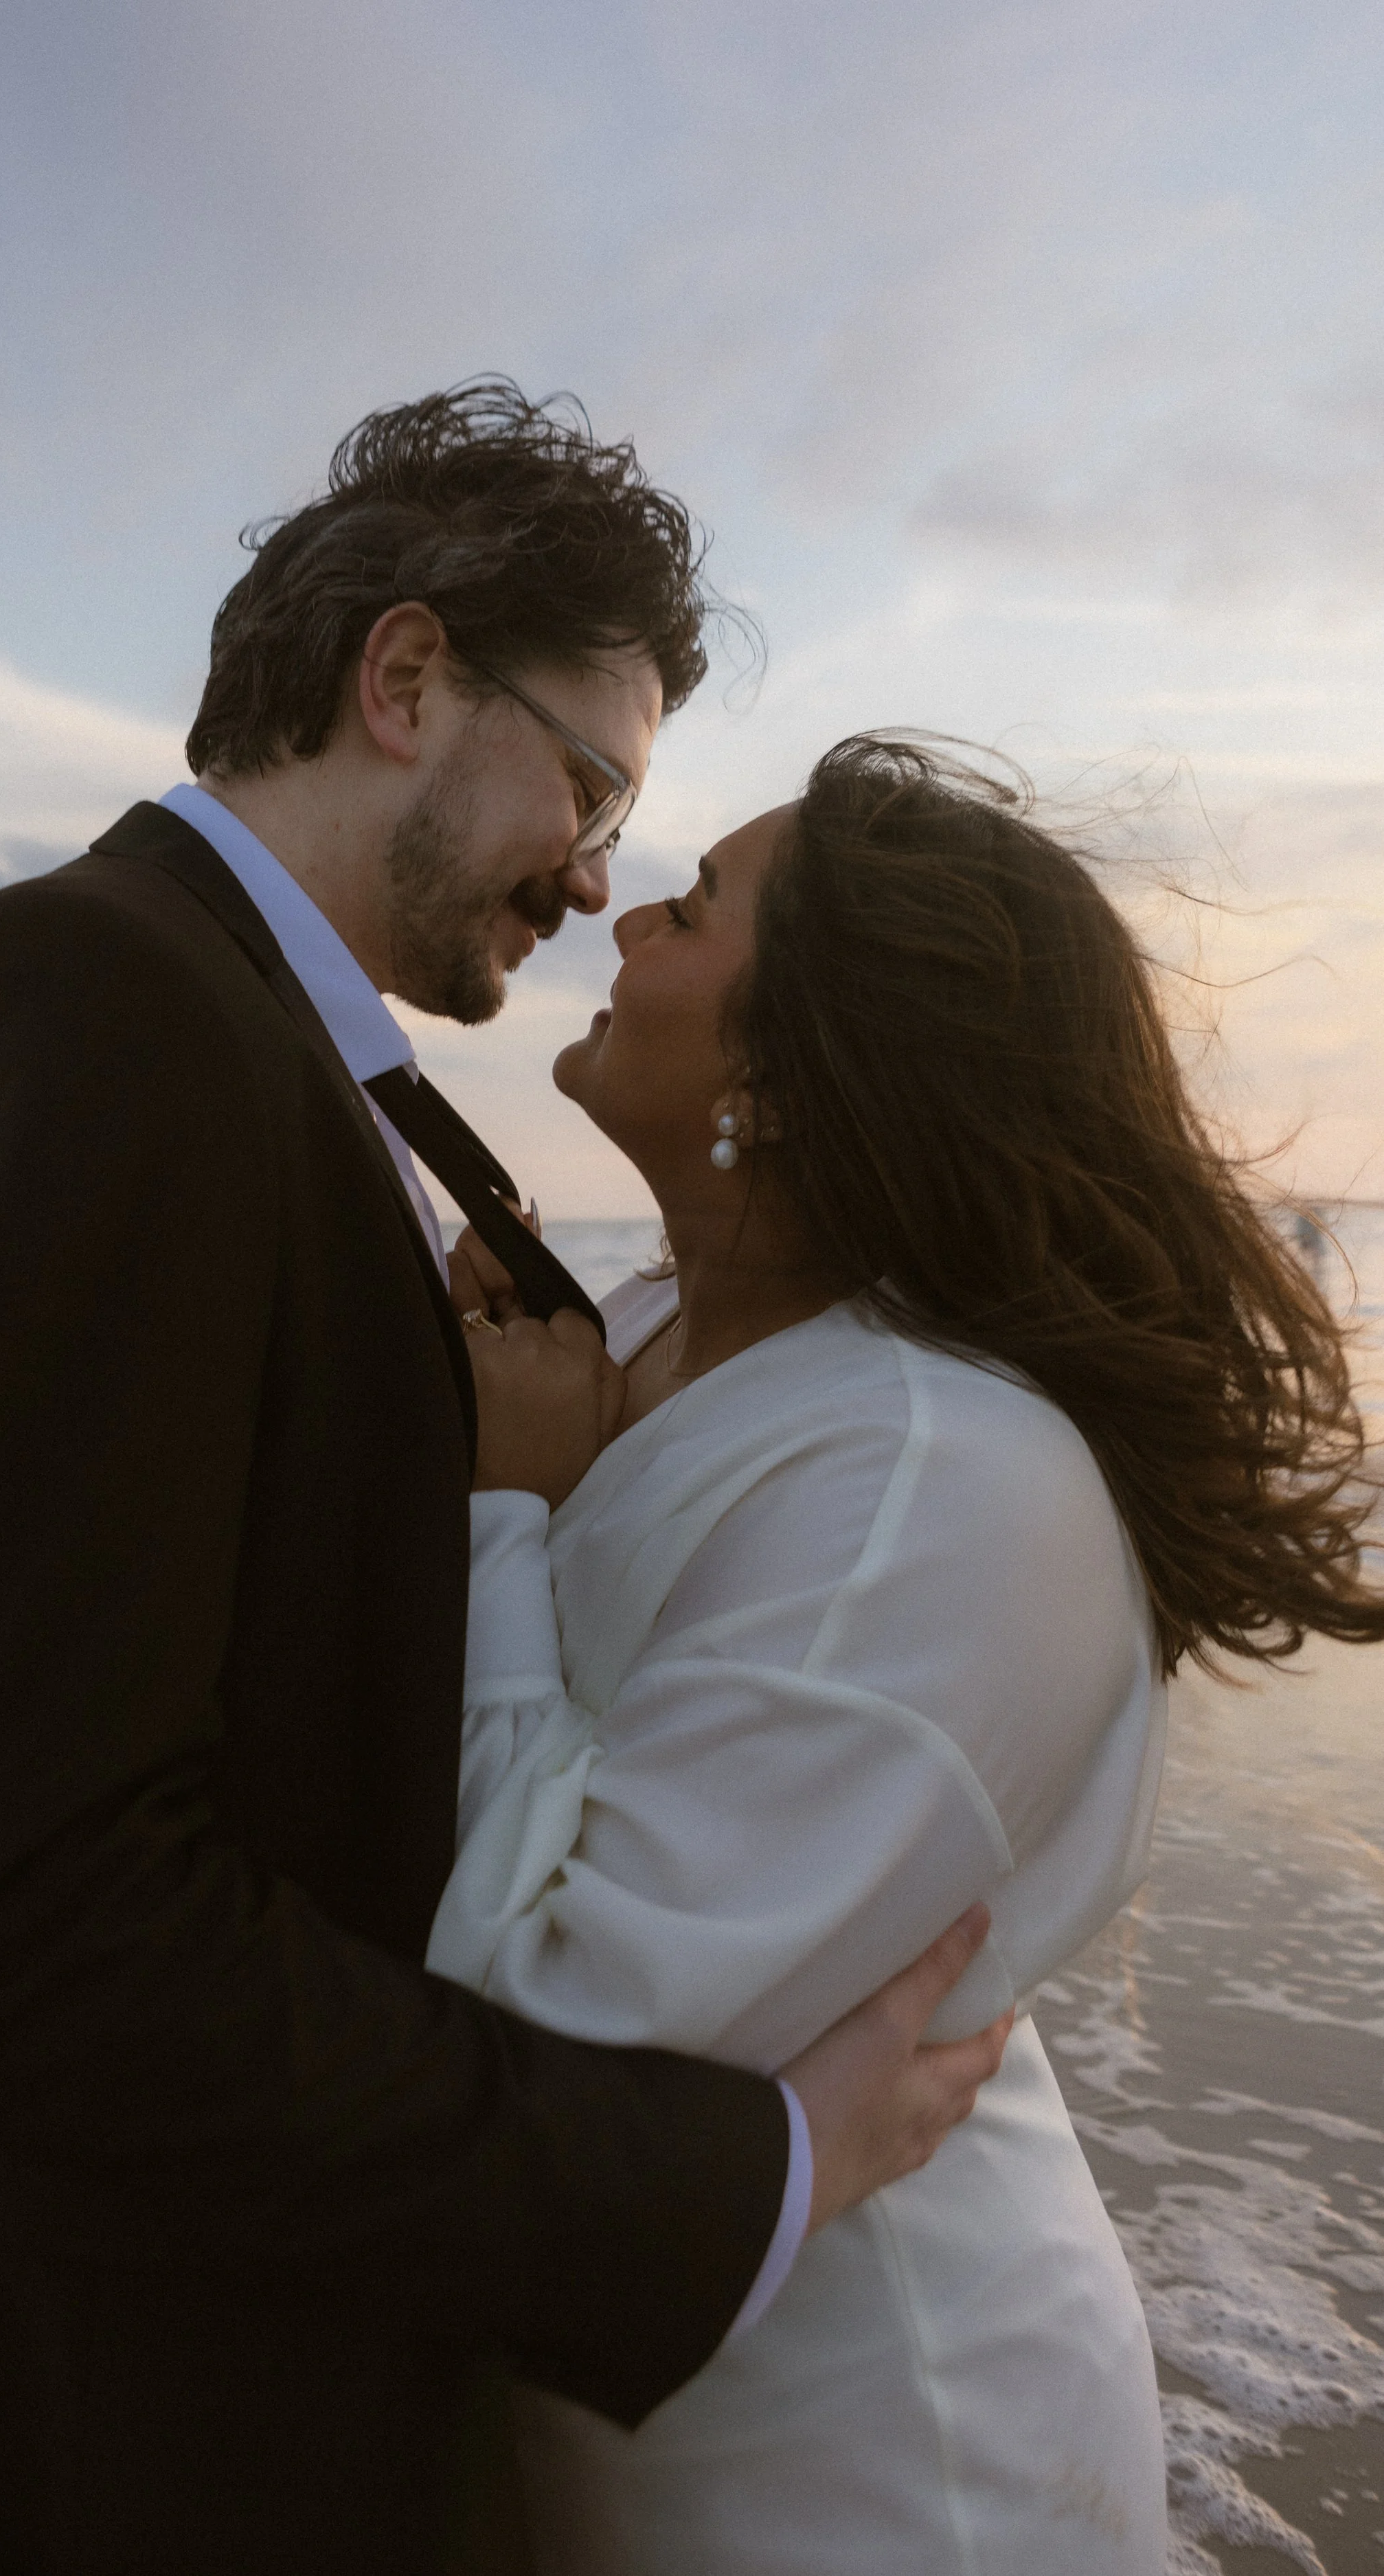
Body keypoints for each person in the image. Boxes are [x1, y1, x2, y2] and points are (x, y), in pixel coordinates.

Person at [0, 393, 1010, 2576]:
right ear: (407, 679)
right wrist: (732, 2173)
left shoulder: (271, 1051)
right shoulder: (89, 1001)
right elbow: (22, 1933)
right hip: (106, 2449)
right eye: (593, 789)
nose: (596, 873)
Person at [435, 738, 1384, 2574]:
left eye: (694, 904)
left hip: (865, 2472)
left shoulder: (932, 1474)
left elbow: (548, 2025)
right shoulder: (630, 1333)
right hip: (634, 2412)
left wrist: (493, 1511)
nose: (622, 913)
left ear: (789, 1069)